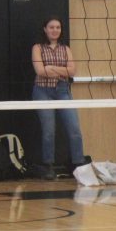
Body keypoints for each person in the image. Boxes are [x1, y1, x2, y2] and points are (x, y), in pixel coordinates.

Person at [31, 16, 87, 179]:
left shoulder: (65, 49)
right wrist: (61, 69)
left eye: (58, 27)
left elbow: (72, 71)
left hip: (63, 90)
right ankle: (48, 165)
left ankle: (78, 164)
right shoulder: (37, 47)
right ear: (45, 29)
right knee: (49, 130)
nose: (55, 30)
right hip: (42, 91)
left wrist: (52, 67)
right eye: (51, 27)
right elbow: (40, 71)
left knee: (74, 129)